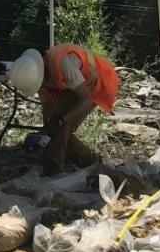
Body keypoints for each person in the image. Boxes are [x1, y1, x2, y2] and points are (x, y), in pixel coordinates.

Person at [8, 43, 119, 174]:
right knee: (57, 127)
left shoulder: (64, 64)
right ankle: (91, 163)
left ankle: (58, 168)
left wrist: (61, 121)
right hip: (74, 86)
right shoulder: (37, 74)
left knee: (62, 126)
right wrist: (47, 129)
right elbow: (47, 105)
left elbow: (86, 99)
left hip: (97, 81)